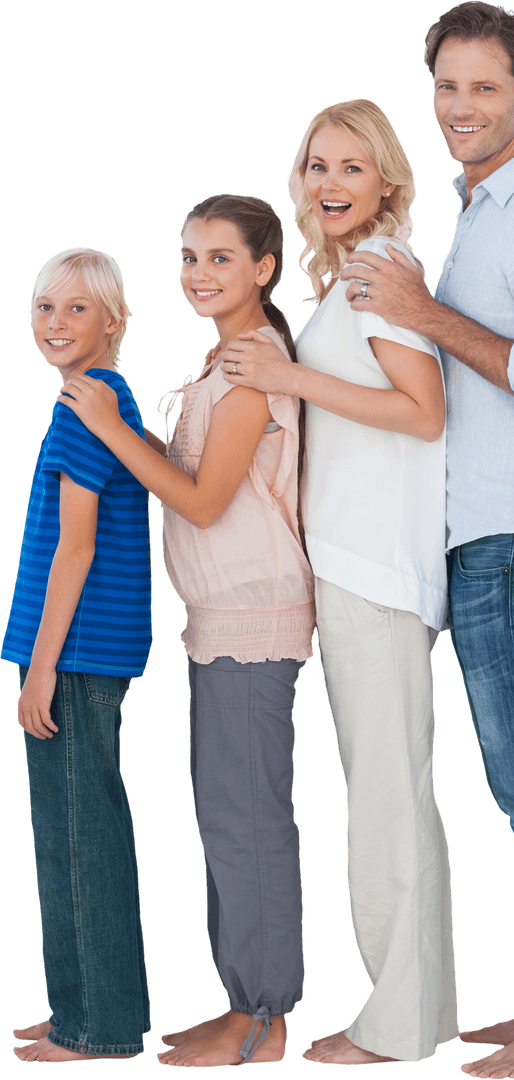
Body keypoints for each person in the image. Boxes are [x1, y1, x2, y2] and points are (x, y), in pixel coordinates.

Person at [336, 4, 514, 1077]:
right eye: (447, 88)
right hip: (480, 546)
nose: (461, 108)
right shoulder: (477, 215)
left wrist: (425, 310)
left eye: (484, 89)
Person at [220, 99, 458, 1065]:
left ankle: (395, 1027)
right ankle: (421, 1013)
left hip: (374, 573)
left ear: (387, 184)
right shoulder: (345, 282)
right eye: (317, 164)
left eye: (351, 167)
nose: (328, 182)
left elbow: (424, 413)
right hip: (352, 571)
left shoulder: (378, 271)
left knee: (384, 800)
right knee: (392, 792)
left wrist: (293, 383)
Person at [58, 195, 315, 1068]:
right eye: (187, 256)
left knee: (248, 826)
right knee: (223, 824)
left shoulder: (254, 367)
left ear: (263, 268)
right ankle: (242, 1003)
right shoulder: (219, 362)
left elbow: (202, 503)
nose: (197, 273)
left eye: (218, 258)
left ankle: (266, 1019)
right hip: (216, 625)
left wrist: (107, 429)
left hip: (254, 622)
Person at [2, 248, 152, 1062]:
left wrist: (41, 665)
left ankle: (102, 1027)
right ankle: (74, 1009)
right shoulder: (92, 401)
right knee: (60, 831)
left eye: (75, 310)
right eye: (43, 308)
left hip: (76, 652)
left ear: (114, 321)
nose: (54, 324)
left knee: (84, 834)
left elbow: (76, 549)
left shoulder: (86, 406)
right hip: (72, 648)